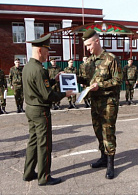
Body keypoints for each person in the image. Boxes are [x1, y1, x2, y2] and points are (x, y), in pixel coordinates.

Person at [22, 33, 74, 186]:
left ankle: (29, 172)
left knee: (32, 141)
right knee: (44, 144)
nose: (48, 54)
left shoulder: (28, 67)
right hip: (40, 111)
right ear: (40, 51)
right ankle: (44, 177)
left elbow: (39, 87)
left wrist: (53, 79)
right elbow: (47, 95)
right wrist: (65, 93)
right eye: (47, 51)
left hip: (30, 109)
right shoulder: (39, 70)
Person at [80, 29, 122, 179]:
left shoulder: (111, 59)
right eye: (86, 46)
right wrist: (67, 78)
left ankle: (111, 164)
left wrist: (101, 85)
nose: (88, 48)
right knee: (98, 130)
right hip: (95, 102)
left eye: (89, 45)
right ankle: (103, 158)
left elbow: (118, 81)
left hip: (109, 102)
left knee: (108, 132)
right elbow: (84, 79)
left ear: (97, 41)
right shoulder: (89, 62)